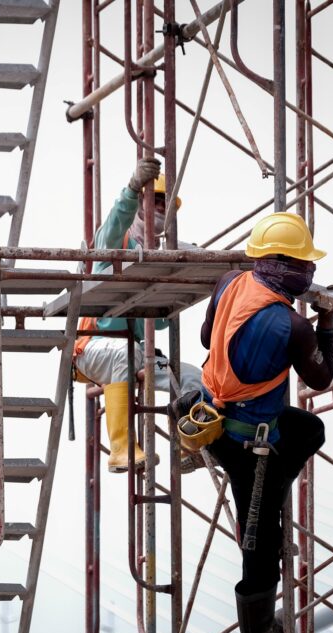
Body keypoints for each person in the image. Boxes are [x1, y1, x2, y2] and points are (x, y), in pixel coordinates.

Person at [181, 212, 333, 633]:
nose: (309, 272)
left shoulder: (231, 281)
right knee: (261, 537)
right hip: (253, 445)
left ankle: (271, 489)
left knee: (308, 429)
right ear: (289, 265)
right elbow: (321, 378)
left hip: (210, 418)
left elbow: (209, 336)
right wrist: (324, 324)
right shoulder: (293, 325)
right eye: (304, 264)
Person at [73, 157, 204, 473]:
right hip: (92, 349)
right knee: (126, 353)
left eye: (165, 204)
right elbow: (115, 221)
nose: (160, 209)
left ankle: (188, 445)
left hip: (135, 353)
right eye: (154, 200)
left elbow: (158, 321)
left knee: (193, 378)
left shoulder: (160, 257)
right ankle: (122, 450)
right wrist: (133, 189)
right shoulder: (116, 239)